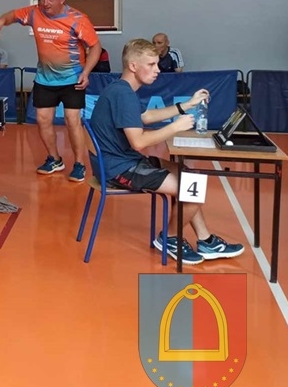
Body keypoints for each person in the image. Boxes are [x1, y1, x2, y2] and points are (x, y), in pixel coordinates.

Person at [89, 38, 244, 264]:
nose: (158, 70)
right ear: (133, 66)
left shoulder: (121, 88)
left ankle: (206, 240)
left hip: (121, 161)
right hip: (119, 169)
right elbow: (138, 142)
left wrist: (186, 105)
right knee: (194, 188)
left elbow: (145, 116)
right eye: (151, 64)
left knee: (190, 175)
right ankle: (170, 237)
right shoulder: (123, 94)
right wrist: (174, 127)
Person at [0, 0, 101, 182]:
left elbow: (95, 47)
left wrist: (86, 72)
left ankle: (79, 164)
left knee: (72, 121)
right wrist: (0, 22)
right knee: (43, 120)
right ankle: (55, 159)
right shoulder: (34, 13)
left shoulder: (78, 19)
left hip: (72, 79)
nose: (45, 3)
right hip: (45, 79)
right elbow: (12, 15)